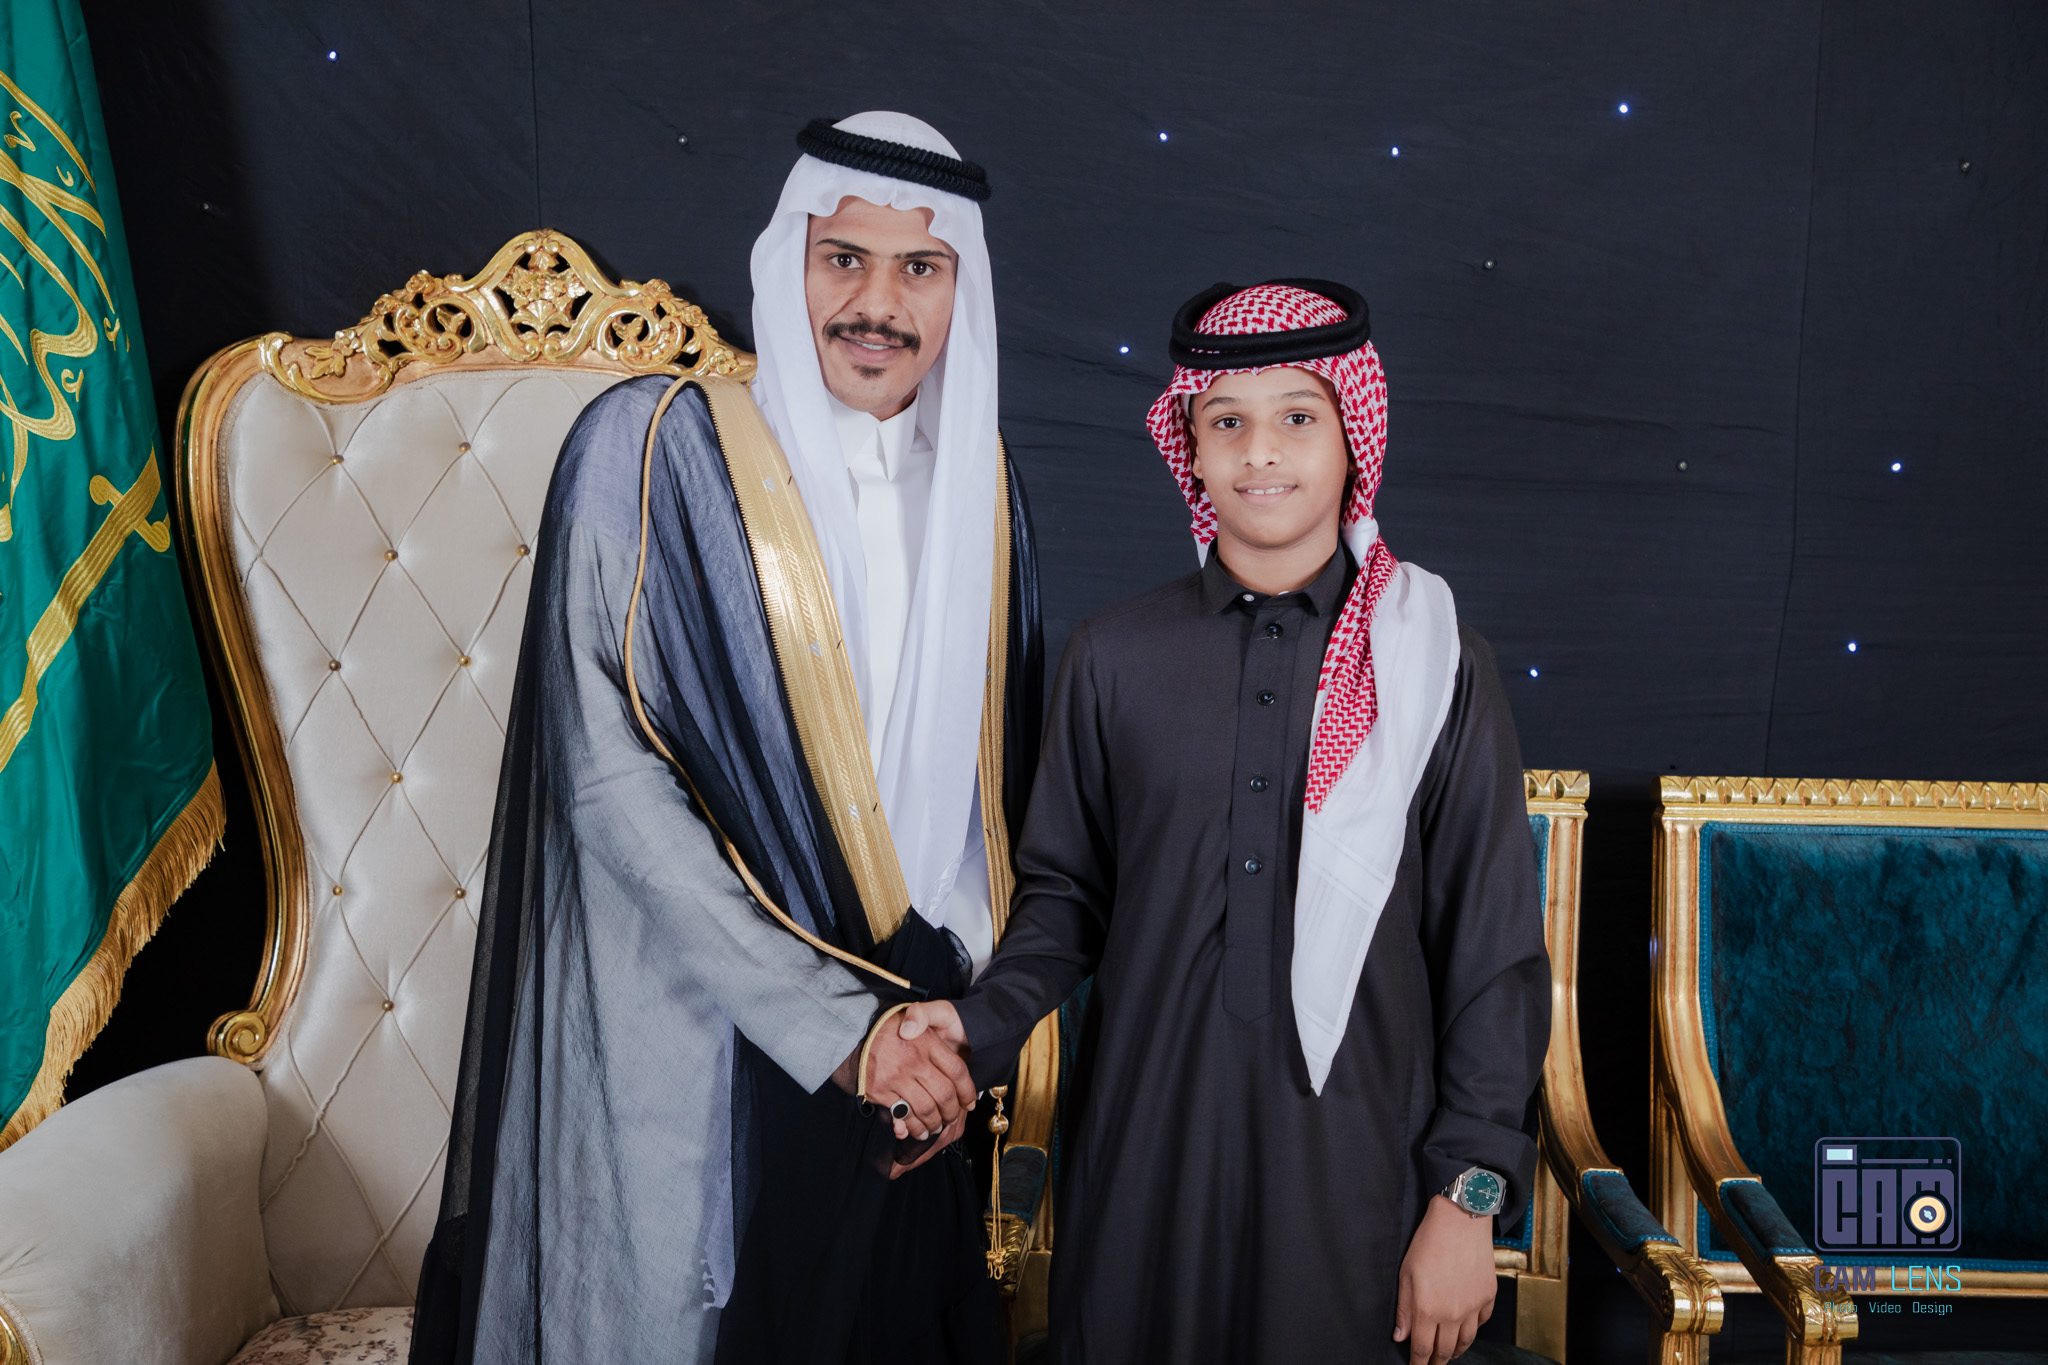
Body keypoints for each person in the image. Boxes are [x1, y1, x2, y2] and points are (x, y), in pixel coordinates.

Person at [408, 112, 1044, 1365]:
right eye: (843, 259)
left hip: (911, 1054)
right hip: (700, 1038)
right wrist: (837, 1031)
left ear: (959, 288)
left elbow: (990, 786)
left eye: (919, 268)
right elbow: (606, 780)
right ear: (786, 259)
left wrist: (940, 1028)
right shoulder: (651, 446)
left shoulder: (984, 486)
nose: (878, 305)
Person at [894, 281, 1550, 1363]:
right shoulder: (1113, 655)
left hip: (1356, 1170)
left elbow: (1492, 958)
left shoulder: (1436, 662)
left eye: (1297, 416)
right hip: (1145, 1153)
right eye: (1227, 421)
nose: (1261, 452)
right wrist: (976, 1026)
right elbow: (1064, 897)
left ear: (1352, 437)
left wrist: (1466, 1201)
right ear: (1187, 447)